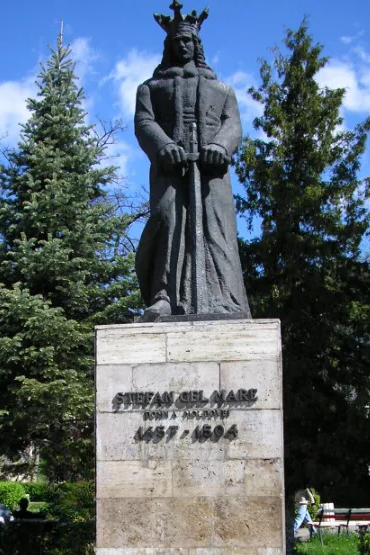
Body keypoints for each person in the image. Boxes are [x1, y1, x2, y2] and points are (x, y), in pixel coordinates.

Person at [134, 1, 251, 320]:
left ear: (197, 45)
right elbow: (144, 122)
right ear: (168, 46)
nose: (183, 45)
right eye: (177, 41)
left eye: (188, 40)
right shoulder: (150, 88)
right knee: (167, 220)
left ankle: (223, 298)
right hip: (170, 169)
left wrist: (221, 146)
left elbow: (233, 123)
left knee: (216, 227)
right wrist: (163, 146)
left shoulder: (221, 89)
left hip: (212, 171)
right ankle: (163, 295)